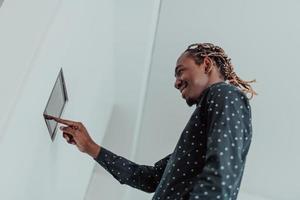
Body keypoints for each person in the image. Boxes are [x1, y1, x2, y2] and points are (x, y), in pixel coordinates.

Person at [46, 42, 256, 200]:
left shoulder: (224, 94)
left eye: (180, 71)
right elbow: (149, 178)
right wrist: (91, 147)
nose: (176, 83)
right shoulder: (193, 150)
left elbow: (222, 174)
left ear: (207, 64)